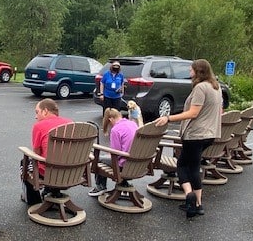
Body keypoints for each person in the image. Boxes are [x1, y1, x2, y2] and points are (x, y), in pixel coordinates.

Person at [154, 59, 222, 218]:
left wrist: (168, 118)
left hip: (196, 134)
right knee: (193, 166)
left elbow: (193, 113)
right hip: (210, 134)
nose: (189, 72)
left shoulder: (200, 88)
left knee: (183, 166)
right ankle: (198, 204)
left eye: (191, 69)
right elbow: (219, 110)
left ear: (198, 71)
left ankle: (189, 195)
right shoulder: (215, 87)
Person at [21, 98, 73, 205]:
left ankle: (33, 201)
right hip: (71, 171)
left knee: (25, 162)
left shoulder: (39, 126)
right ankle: (53, 191)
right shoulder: (70, 123)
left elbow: (36, 153)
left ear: (45, 111)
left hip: (48, 172)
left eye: (37, 112)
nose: (36, 116)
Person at [88, 108, 138, 196]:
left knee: (98, 159)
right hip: (137, 163)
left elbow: (115, 152)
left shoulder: (116, 130)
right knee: (106, 157)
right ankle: (123, 183)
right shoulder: (133, 124)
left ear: (110, 119)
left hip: (124, 165)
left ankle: (100, 187)